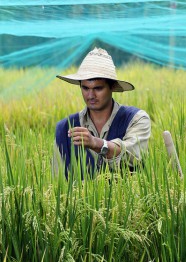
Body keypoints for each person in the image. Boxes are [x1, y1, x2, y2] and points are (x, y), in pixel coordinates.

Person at [53, 47, 151, 179]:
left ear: (112, 87)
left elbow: (133, 157)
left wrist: (97, 144)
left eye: (98, 88)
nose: (91, 95)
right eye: (85, 88)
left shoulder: (136, 119)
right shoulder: (64, 128)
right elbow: (57, 180)